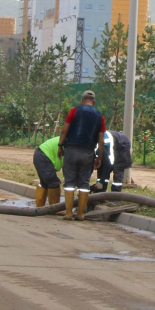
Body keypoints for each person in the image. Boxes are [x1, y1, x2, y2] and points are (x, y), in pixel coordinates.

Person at [57, 90, 105, 221]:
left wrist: (60, 146)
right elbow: (101, 141)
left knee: (69, 182)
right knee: (84, 183)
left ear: (82, 100)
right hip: (88, 153)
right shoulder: (100, 116)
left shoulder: (74, 111)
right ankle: (80, 214)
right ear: (94, 102)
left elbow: (64, 130)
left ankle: (68, 213)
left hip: (71, 150)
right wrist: (99, 157)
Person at [32, 137, 63, 208]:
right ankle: (54, 209)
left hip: (40, 154)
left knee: (44, 183)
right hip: (43, 155)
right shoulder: (70, 144)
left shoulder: (71, 140)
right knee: (53, 183)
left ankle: (40, 208)